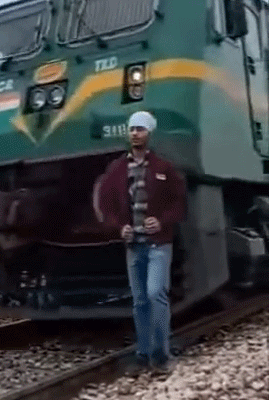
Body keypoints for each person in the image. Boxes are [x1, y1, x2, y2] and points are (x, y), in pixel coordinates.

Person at [94, 111, 186, 373]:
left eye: (140, 129)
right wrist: (118, 227)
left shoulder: (163, 168)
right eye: (132, 129)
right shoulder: (117, 169)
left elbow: (180, 202)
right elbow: (105, 204)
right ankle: (143, 354)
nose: (135, 133)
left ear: (149, 133)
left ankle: (162, 355)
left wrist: (162, 221)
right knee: (140, 302)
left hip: (158, 244)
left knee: (156, 293)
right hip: (134, 246)